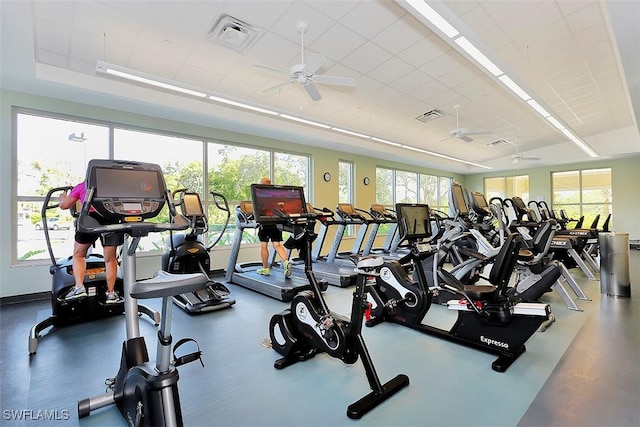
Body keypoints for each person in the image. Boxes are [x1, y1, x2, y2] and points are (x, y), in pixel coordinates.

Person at [59, 182, 124, 303]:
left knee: (79, 254)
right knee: (110, 259)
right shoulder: (113, 185)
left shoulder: (83, 185)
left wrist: (62, 198)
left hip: (90, 218)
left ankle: (79, 287)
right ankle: (111, 293)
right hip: (111, 217)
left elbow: (64, 205)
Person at [256, 177, 292, 278]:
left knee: (264, 246)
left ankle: (265, 268)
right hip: (276, 222)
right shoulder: (275, 196)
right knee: (277, 245)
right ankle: (286, 262)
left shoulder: (259, 195)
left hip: (265, 222)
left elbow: (257, 209)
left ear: (262, 184)